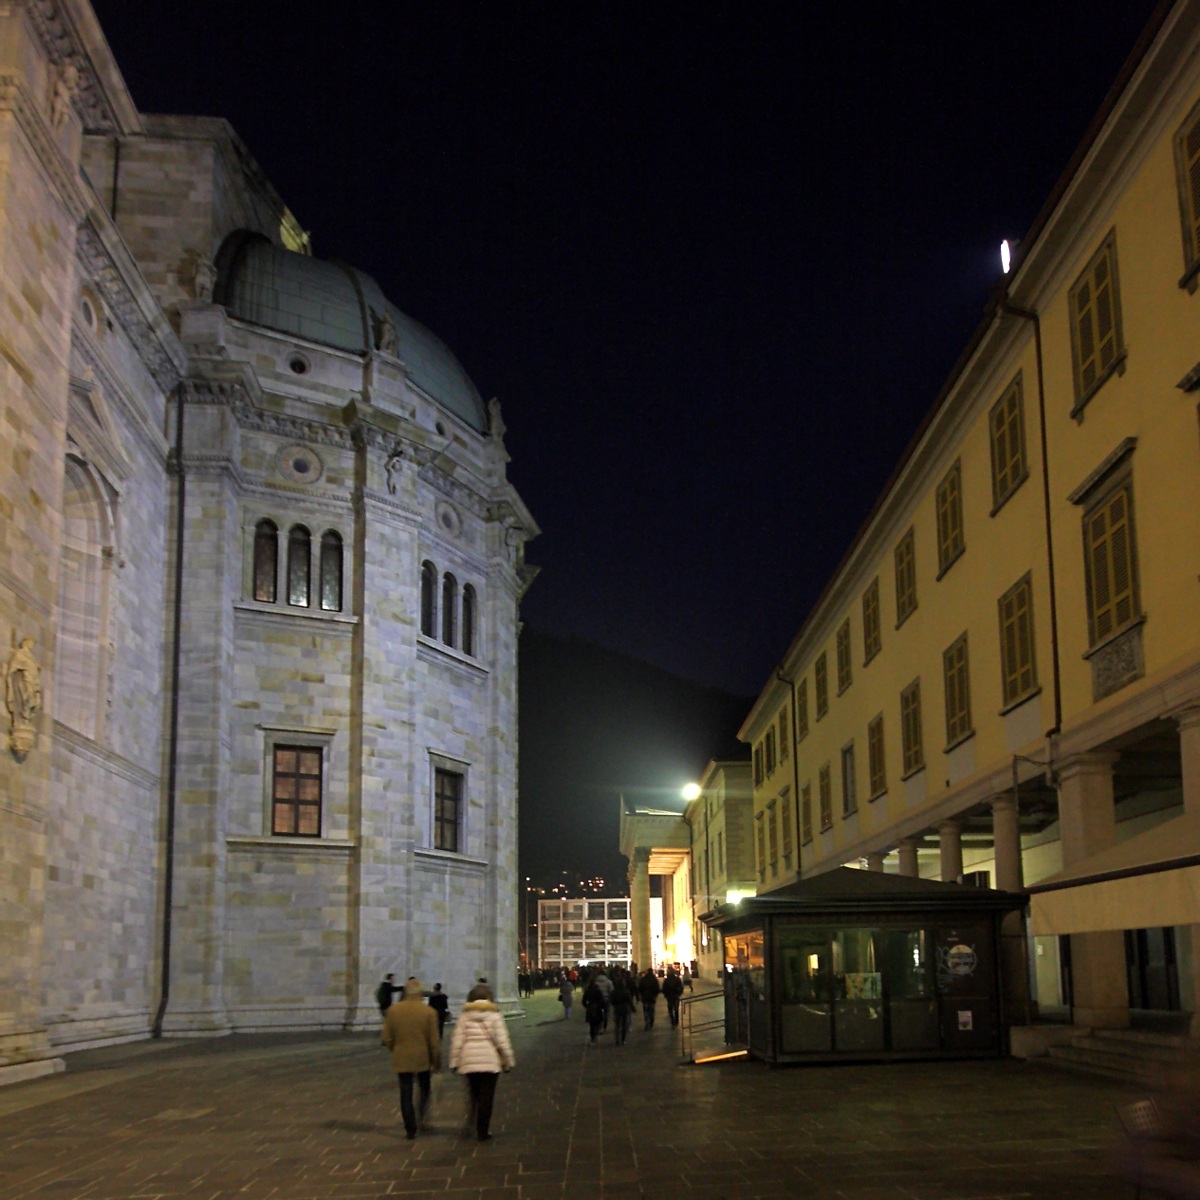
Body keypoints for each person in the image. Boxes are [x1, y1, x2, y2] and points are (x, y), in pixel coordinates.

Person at [449, 982, 515, 1142]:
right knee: (487, 1096)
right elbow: (502, 1041)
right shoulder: (495, 1015)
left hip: (468, 1061)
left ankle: (471, 1120)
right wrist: (508, 1060)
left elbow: (457, 1041)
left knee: (473, 1094)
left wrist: (454, 1061)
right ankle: (482, 1131)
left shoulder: (464, 1016)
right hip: (490, 1061)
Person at [380, 976, 440, 1140]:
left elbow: (386, 1038)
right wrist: (436, 1062)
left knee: (405, 1092)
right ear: (420, 993)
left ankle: (410, 1128)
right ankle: (422, 1118)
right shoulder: (429, 1012)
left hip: (402, 1058)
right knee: (424, 1089)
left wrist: (397, 1049)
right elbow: (434, 1042)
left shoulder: (393, 1010)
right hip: (423, 1059)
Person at [610, 970, 634, 1046]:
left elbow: (612, 1000)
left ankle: (617, 1040)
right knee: (624, 1025)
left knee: (617, 1025)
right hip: (625, 1008)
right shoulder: (626, 991)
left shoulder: (614, 991)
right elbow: (629, 1000)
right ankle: (623, 1040)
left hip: (617, 1009)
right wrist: (632, 1008)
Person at [582, 975, 605, 1044]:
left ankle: (592, 1038)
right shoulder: (598, 990)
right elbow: (602, 1000)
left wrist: (587, 1006)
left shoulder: (588, 991)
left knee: (592, 1024)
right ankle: (596, 1036)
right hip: (597, 1008)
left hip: (590, 1007)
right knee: (598, 1022)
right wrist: (601, 1006)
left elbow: (583, 1001)